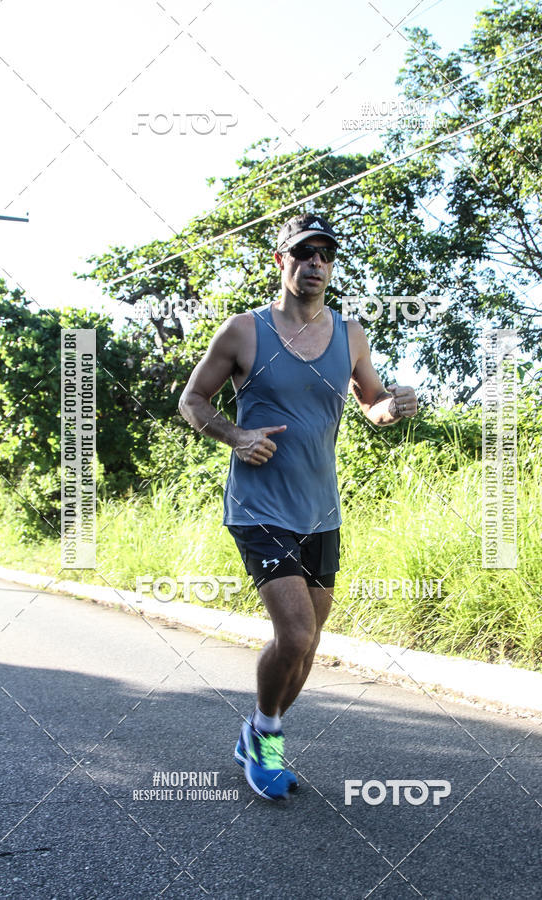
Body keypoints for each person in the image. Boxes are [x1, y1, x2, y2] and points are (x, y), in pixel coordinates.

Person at [178, 212, 417, 801]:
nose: (315, 264)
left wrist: (393, 407)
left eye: (325, 255)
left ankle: (257, 730)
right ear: (281, 262)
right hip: (259, 505)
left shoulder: (350, 334)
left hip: (320, 510)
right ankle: (267, 739)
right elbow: (192, 399)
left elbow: (372, 403)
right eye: (304, 253)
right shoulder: (244, 331)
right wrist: (236, 437)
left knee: (307, 645)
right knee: (295, 631)